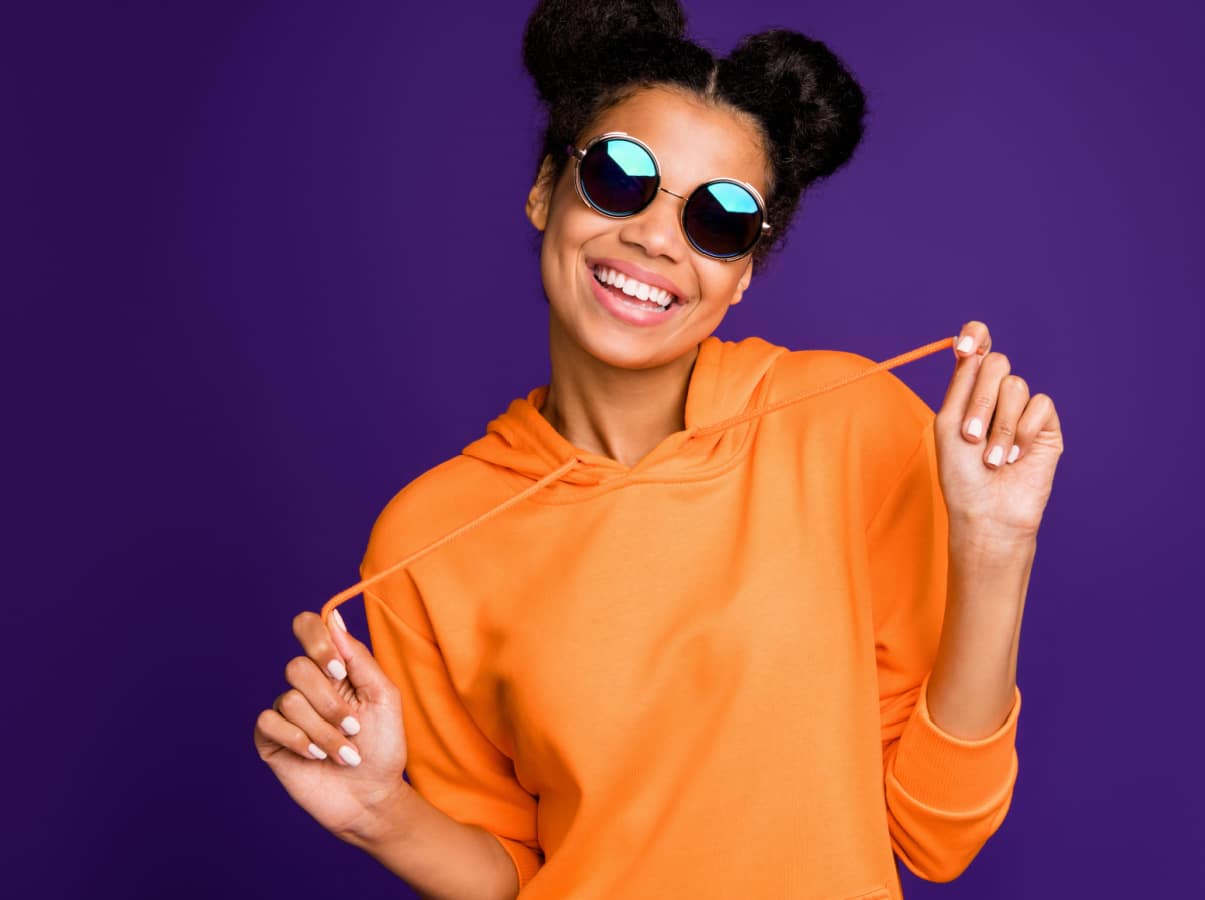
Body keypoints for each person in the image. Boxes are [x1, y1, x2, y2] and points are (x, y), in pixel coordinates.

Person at [251, 1, 1063, 897]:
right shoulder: (423, 539)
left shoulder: (849, 428)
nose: (655, 238)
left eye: (718, 220)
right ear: (543, 189)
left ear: (744, 272)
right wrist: (379, 812)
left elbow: (934, 835)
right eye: (619, 177)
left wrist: (994, 548)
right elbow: (515, 875)